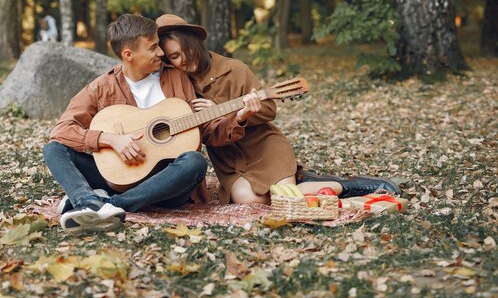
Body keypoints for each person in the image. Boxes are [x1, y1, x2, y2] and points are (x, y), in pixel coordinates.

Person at [156, 14, 401, 205]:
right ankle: (308, 182)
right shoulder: (178, 82)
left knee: (286, 197)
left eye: (182, 51)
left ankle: (345, 186)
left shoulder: (234, 68)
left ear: (193, 42)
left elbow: (268, 111)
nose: (182, 61)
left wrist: (229, 111)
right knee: (250, 201)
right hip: (228, 157)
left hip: (262, 146)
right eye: (173, 58)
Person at [43, 14, 251, 235]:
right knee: (54, 149)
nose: (161, 53)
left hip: (167, 186)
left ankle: (106, 204)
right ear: (128, 54)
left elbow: (205, 132)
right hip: (117, 177)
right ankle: (88, 200)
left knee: (195, 162)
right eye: (153, 48)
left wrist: (237, 118)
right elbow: (61, 130)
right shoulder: (101, 87)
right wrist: (110, 139)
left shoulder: (177, 78)